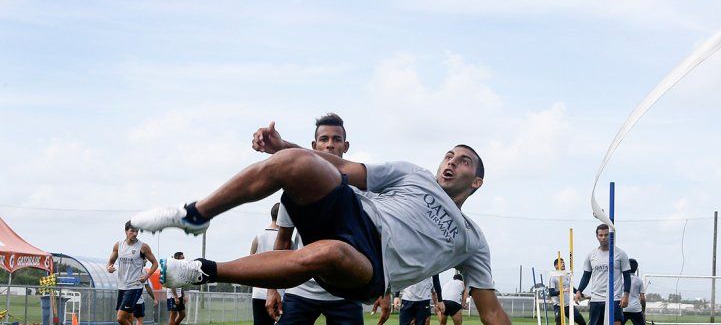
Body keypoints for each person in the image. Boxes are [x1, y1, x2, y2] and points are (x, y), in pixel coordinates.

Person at [130, 121, 512, 325]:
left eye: (463, 160)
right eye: (449, 154)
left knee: (328, 253)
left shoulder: (471, 239)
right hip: (352, 210)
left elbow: (491, 311)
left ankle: (203, 271)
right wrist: (282, 147)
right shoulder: (413, 174)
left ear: (475, 181)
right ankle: (195, 213)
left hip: (370, 265)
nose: (451, 160)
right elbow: (343, 168)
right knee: (294, 164)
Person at [265, 113, 378, 325]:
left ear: (345, 146)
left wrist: (385, 290)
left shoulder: (362, 192)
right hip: (301, 290)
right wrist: (273, 290)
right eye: (324, 139)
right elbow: (282, 242)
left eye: (336, 140)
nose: (330, 145)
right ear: (314, 145)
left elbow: (377, 243)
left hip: (347, 293)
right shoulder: (299, 189)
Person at [575, 224, 631, 325]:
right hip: (596, 299)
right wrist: (579, 290)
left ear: (611, 235)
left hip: (614, 298)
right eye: (601, 235)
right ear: (597, 236)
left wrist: (626, 295)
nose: (603, 237)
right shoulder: (591, 255)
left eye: (606, 235)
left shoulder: (620, 254)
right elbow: (586, 275)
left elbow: (627, 276)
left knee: (616, 323)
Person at [108, 221, 159, 325]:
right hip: (122, 286)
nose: (135, 234)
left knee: (120, 318)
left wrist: (146, 276)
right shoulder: (118, 245)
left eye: (137, 231)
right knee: (129, 319)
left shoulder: (143, 247)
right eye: (132, 231)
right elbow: (110, 262)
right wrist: (109, 268)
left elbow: (155, 263)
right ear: (126, 231)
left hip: (134, 287)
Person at [251, 203, 281, 325]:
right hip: (280, 295)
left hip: (258, 293)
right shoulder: (286, 240)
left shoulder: (258, 237)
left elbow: (251, 264)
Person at [549, 258, 586, 325]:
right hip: (558, 305)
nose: (563, 264)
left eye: (563, 262)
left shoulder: (567, 275)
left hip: (568, 305)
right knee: (559, 320)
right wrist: (562, 290)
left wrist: (581, 294)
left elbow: (572, 288)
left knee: (582, 322)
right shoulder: (553, 278)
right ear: (556, 266)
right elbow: (551, 293)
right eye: (561, 262)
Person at [166, 252, 188, 325]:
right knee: (173, 315)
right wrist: (175, 297)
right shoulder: (173, 269)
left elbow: (180, 284)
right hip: (172, 295)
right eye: (182, 258)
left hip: (179, 295)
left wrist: (183, 295)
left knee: (182, 314)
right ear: (177, 259)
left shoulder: (181, 269)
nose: (184, 259)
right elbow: (172, 284)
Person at [622, 259, 645, 325]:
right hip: (635, 309)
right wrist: (643, 311)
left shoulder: (621, 279)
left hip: (623, 308)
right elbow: (642, 299)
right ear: (636, 268)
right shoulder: (639, 280)